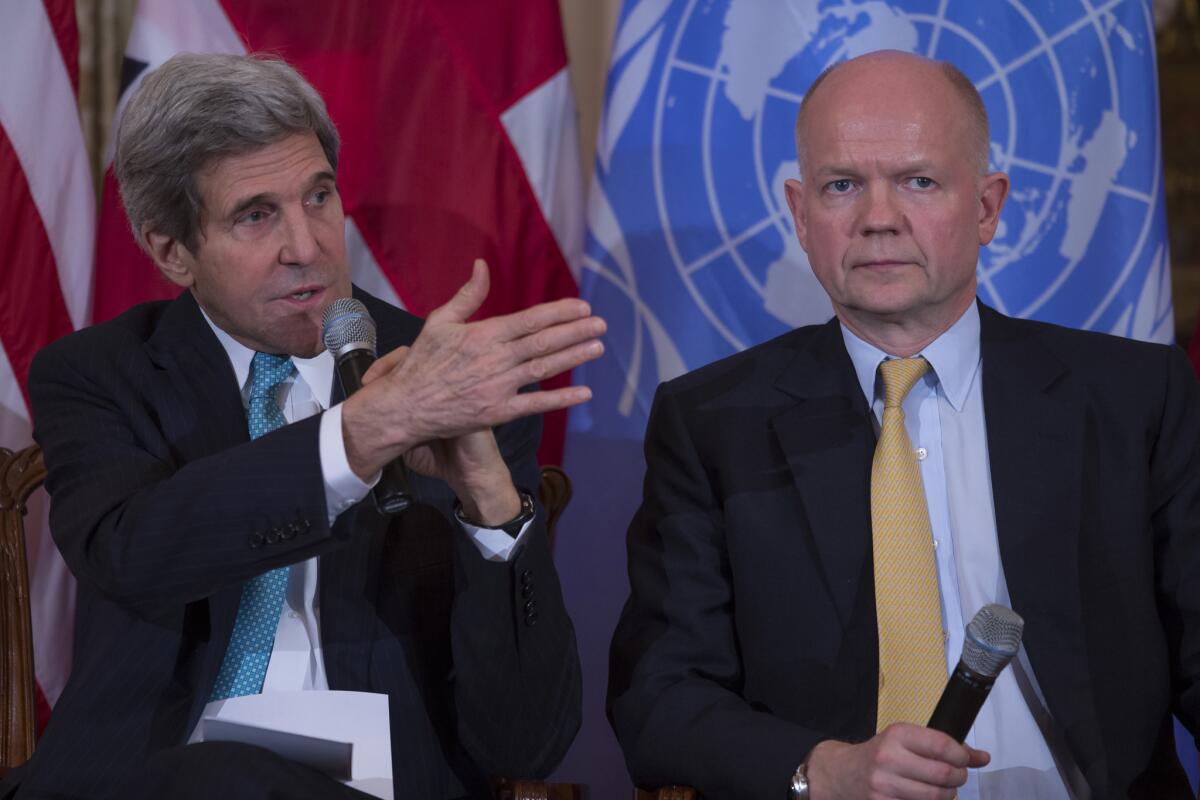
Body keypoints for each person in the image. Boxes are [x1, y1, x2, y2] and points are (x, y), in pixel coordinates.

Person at [3, 53, 601, 800]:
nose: (307, 245)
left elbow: (527, 742)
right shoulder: (103, 375)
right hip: (148, 779)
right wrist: (356, 438)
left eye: (319, 197)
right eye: (257, 215)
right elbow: (134, 548)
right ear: (171, 251)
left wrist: (491, 507)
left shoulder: (444, 381)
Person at [608, 50, 1200, 800]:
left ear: (987, 207)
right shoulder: (713, 424)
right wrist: (819, 769)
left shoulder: (1132, 397)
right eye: (841, 185)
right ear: (799, 213)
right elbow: (658, 699)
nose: (878, 218)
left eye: (918, 181)